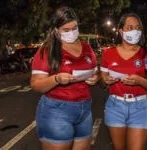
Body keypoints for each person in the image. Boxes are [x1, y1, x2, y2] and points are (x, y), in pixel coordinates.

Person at [30, 7, 99, 150]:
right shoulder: (47, 50)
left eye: (74, 28)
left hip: (84, 109)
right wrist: (56, 79)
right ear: (56, 30)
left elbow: (95, 71)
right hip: (56, 111)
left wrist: (95, 78)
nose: (72, 33)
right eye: (66, 30)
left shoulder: (87, 48)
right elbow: (36, 84)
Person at [100, 13, 147, 150]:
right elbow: (101, 83)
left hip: (140, 107)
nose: (135, 31)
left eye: (138, 28)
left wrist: (140, 81)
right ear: (121, 31)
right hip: (114, 106)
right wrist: (105, 80)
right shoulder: (108, 53)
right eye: (130, 27)